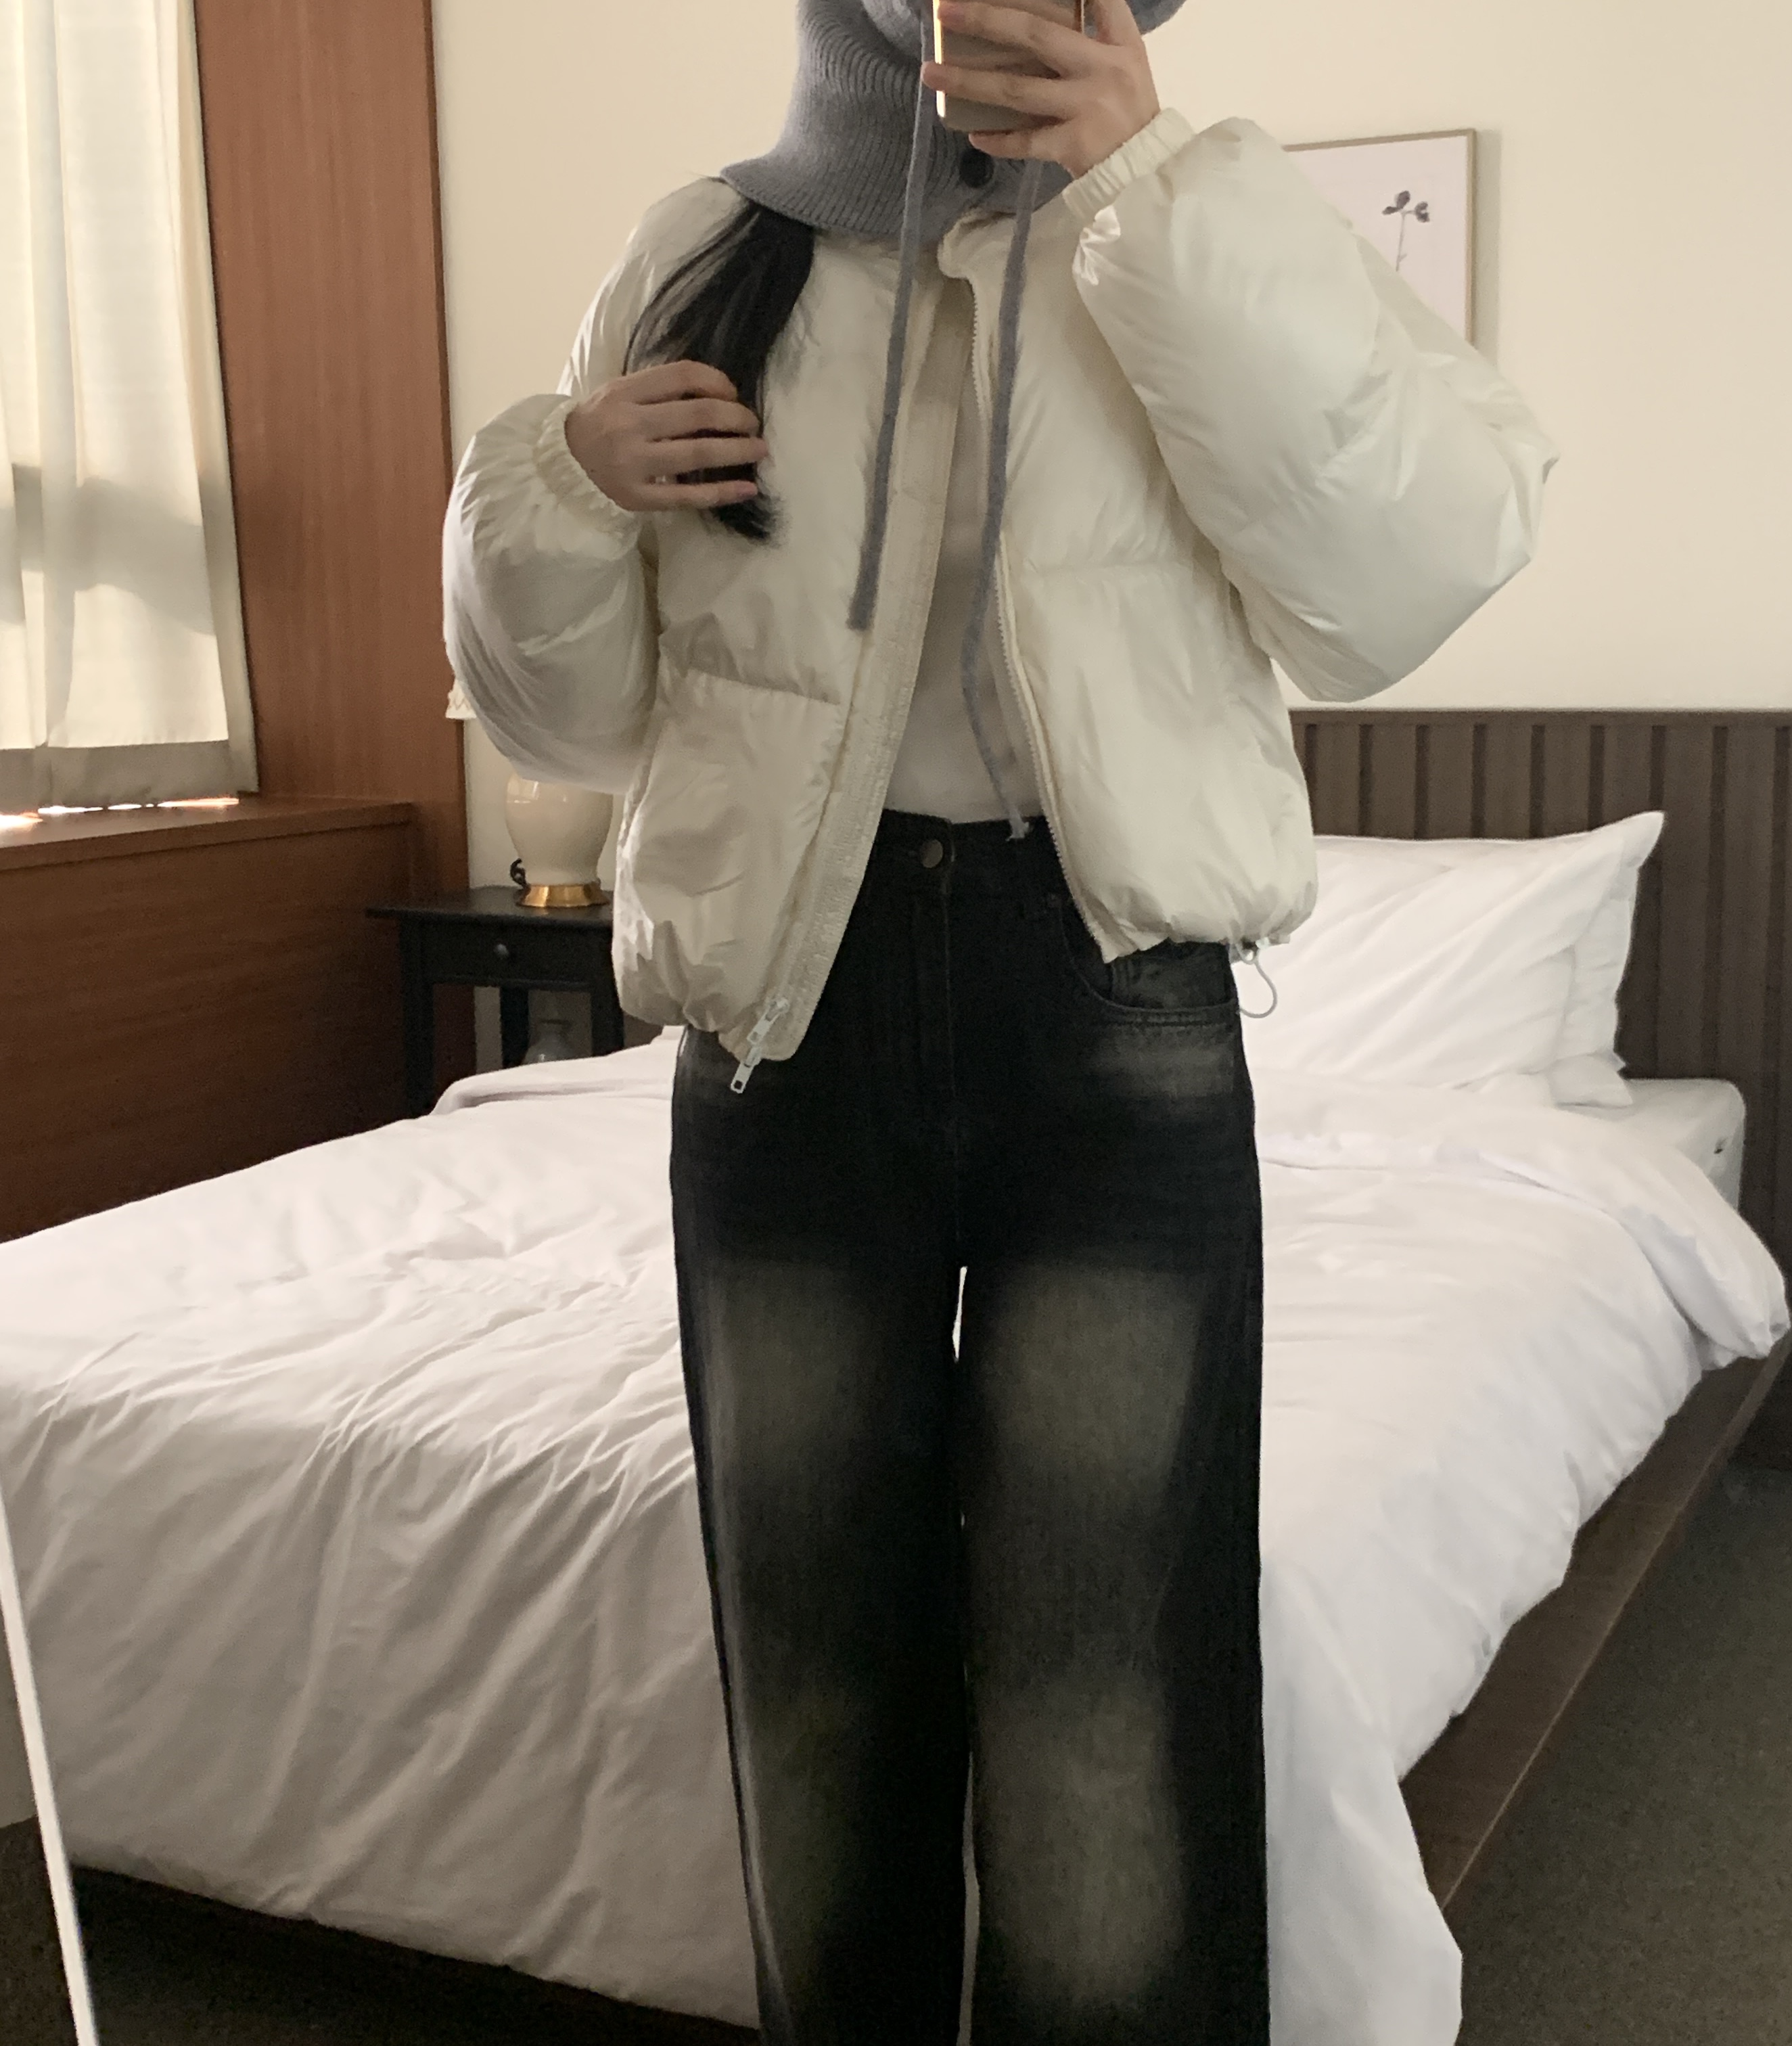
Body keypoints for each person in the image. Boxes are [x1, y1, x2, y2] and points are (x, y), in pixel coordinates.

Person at [442, 1, 1554, 2038]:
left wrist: (1144, 182)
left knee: (1106, 1667)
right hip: (785, 1013)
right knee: (809, 1657)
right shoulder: (703, 250)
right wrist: (557, 487)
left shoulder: (1198, 215)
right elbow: (566, 724)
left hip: (1109, 1001)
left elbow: (1395, 587)